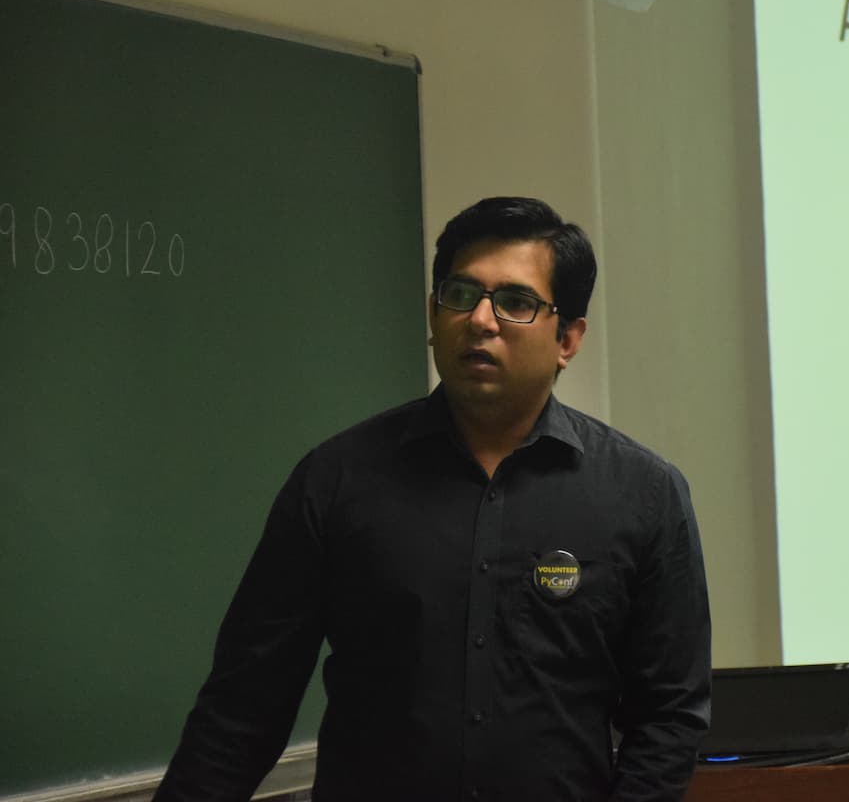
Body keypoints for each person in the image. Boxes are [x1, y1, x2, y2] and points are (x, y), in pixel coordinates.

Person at [155, 196, 712, 802]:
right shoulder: (336, 481)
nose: (480, 320)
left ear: (568, 338)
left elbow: (669, 715)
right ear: (432, 313)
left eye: (516, 302)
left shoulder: (643, 494)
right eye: (460, 294)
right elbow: (244, 706)